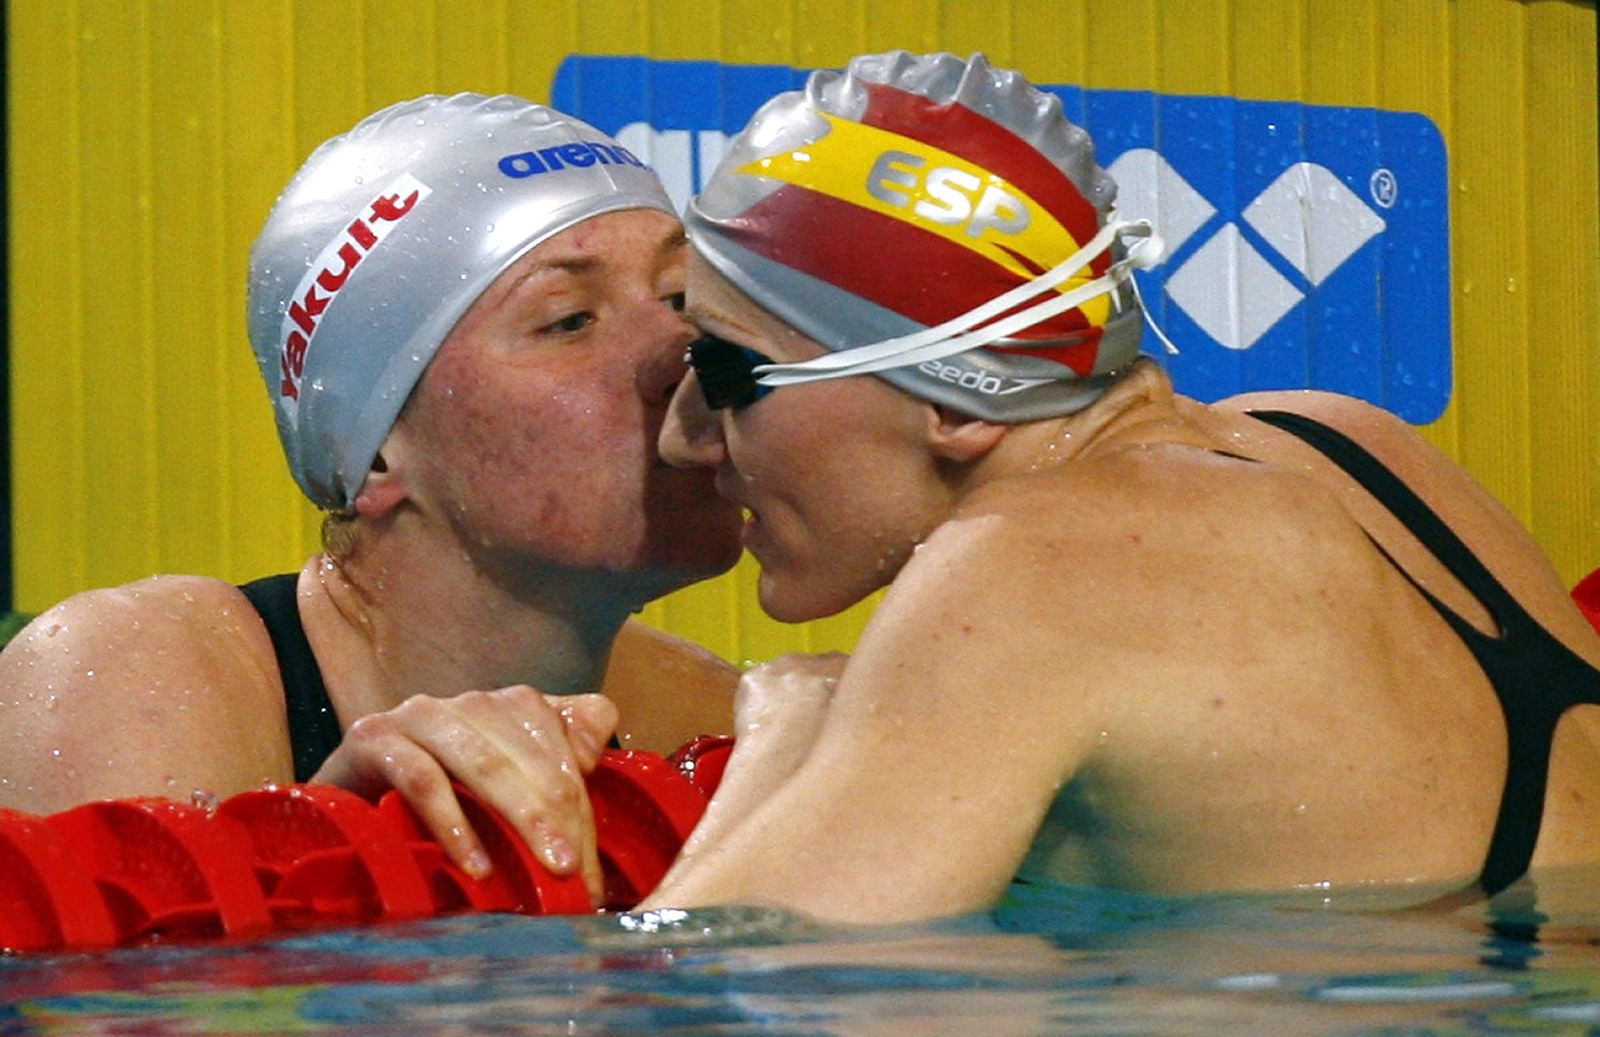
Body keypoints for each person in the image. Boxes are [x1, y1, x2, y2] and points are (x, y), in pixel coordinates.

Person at [638, 51, 1600, 924]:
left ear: (959, 402)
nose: (684, 435)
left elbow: (720, 989)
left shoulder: (1024, 571)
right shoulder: (1340, 438)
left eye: (729, 372)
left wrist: (781, 743)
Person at [0, 94, 743, 901]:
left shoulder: (702, 715)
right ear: (377, 446)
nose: (686, 352)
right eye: (569, 320)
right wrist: (322, 854)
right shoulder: (140, 678)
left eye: (678, 296)